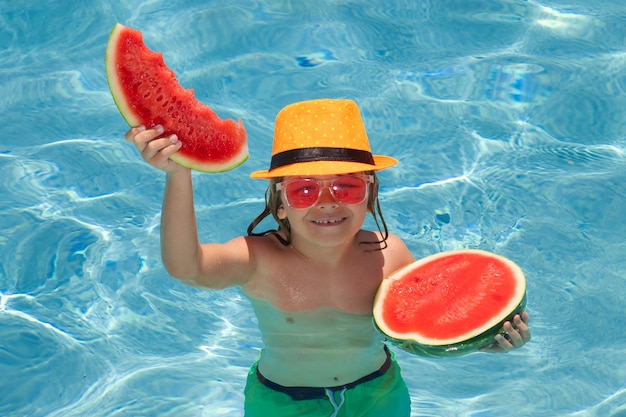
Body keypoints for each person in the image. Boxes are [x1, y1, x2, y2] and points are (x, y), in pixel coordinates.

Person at [125, 98, 531, 417]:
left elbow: (418, 330)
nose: (326, 203)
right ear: (280, 204)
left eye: (347, 187)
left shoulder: (389, 255)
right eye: (304, 190)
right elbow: (187, 268)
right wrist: (178, 174)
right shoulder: (258, 259)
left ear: (369, 196)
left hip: (378, 394)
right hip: (282, 404)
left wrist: (479, 341)